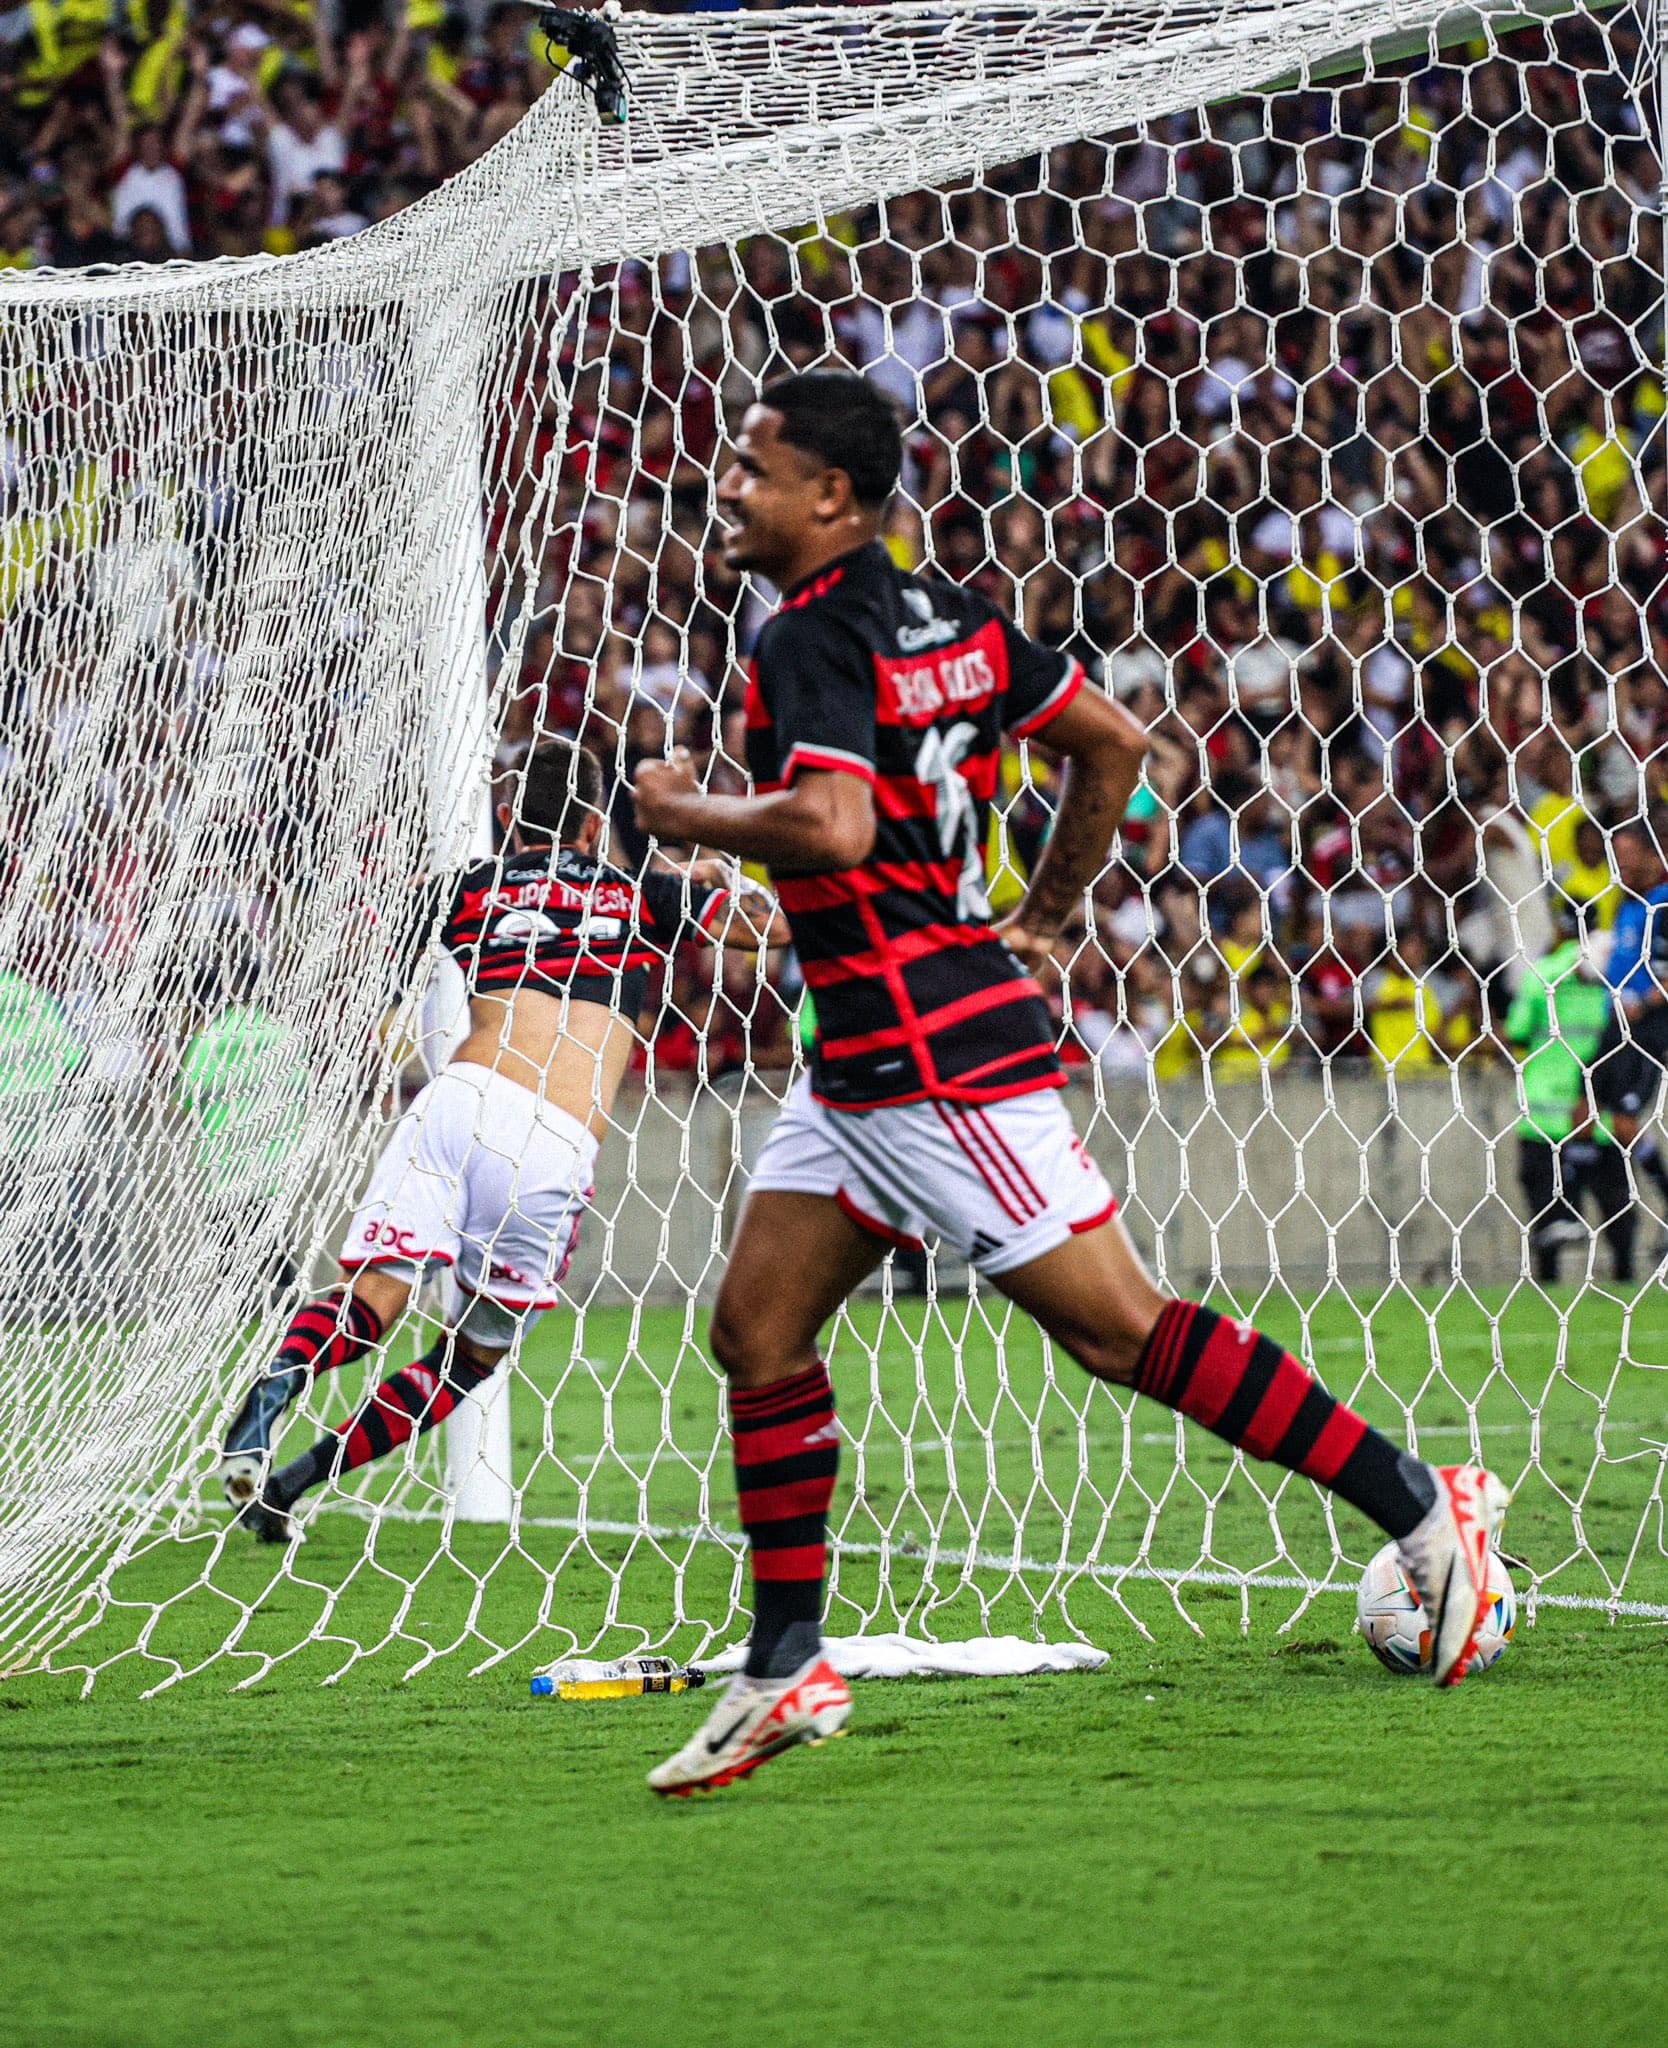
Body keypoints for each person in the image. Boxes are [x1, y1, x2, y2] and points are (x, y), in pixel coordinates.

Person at [631, 368, 1509, 1796]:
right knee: (757, 1329)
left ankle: (1422, 1507)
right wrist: (1042, 914)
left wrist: (692, 816)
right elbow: (1111, 742)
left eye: (755, 466)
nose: (731, 486)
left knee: (1117, 1333)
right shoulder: (953, 616)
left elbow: (832, 823)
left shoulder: (805, 638)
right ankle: (786, 1668)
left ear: (830, 496)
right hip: (866, 1055)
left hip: (928, 1058)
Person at [219, 736, 781, 1540]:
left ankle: (276, 1390)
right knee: (473, 1353)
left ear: (512, 819)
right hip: (550, 1138)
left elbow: (361, 942)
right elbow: (771, 935)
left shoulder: (467, 887)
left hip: (458, 1097)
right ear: (595, 828)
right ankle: (302, 1479)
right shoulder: (643, 894)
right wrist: (713, 867)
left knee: (373, 1300)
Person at [1504, 914, 1634, 1285]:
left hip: (1568, 1117)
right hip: (1575, 1116)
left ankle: (1570, 1289)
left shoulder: (1548, 975)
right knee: (1603, 1210)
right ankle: (1612, 1283)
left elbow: (1517, 1032)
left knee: (1578, 1214)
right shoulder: (1603, 975)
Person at [1591, 817, 1668, 1217]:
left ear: (1653, 857)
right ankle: (1568, 1209)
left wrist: (1643, 1000)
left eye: (1627, 854)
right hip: (1615, 1023)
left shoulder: (1664, 903)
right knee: (1583, 1108)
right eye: (1615, 855)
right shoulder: (1627, 905)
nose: (1620, 864)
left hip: (1645, 1030)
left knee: (1623, 1121)